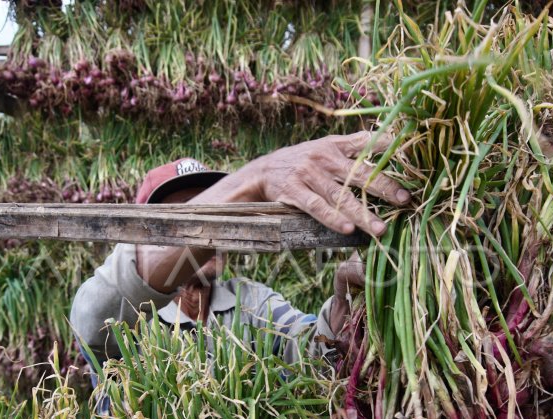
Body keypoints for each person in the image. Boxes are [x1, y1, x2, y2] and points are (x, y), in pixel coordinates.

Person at [70, 132, 409, 379]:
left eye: (223, 208)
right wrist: (258, 175)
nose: (215, 227)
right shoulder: (131, 318)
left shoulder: (251, 301)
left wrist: (342, 303)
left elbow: (312, 355)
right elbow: (92, 320)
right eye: (190, 212)